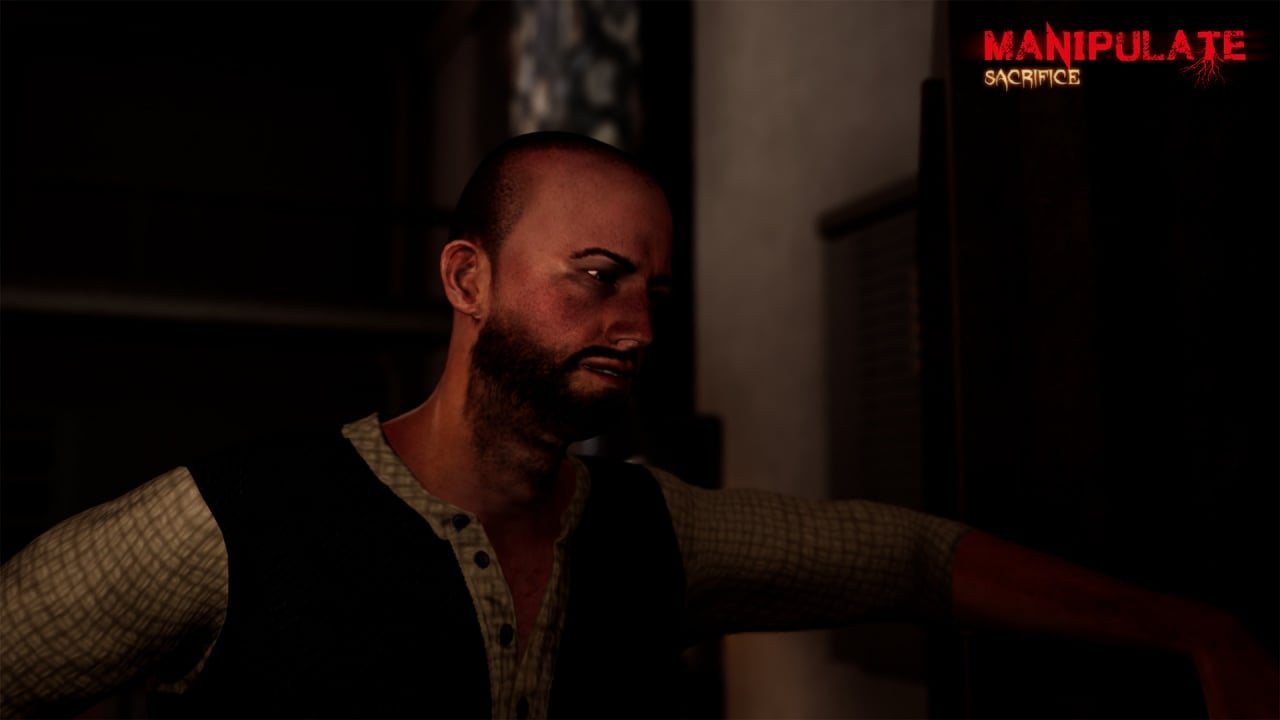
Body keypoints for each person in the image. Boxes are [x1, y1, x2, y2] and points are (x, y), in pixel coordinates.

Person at [0, 131, 1275, 720]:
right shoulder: (233, 522)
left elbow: (901, 558)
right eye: (597, 276)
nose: (637, 323)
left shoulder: (655, 532)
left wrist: (1197, 634)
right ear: (467, 280)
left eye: (653, 291)